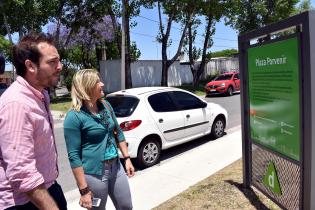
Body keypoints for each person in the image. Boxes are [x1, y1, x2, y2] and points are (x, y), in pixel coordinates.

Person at [0, 33, 67, 210]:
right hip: (25, 202)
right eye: (52, 62)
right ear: (30, 66)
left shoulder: (41, 94)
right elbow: (22, 173)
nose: (59, 67)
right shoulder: (16, 104)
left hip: (49, 187)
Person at [64, 69, 135, 210]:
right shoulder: (74, 117)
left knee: (126, 206)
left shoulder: (106, 106)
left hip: (116, 167)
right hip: (94, 174)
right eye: (97, 81)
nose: (102, 84)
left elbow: (118, 132)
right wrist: (84, 190)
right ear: (87, 86)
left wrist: (126, 158)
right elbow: (74, 156)